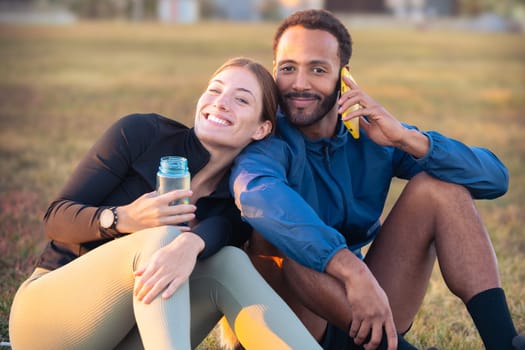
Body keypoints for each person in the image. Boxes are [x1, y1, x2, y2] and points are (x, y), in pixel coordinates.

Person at [230, 9, 524, 350]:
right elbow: (256, 197)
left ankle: (504, 342)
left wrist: (406, 139)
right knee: (280, 236)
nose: (300, 83)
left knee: (439, 188)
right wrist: (350, 270)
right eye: (288, 68)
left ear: (344, 76)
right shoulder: (266, 137)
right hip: (289, 325)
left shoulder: (370, 134)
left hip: (366, 310)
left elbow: (495, 179)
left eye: (318, 69)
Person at [8, 57, 322, 350]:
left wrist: (191, 245)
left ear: (261, 128)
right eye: (214, 90)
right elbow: (55, 217)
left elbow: (222, 231)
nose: (220, 102)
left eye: (241, 99)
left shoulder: (238, 197)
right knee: (164, 237)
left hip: (126, 337)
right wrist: (122, 219)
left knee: (230, 261)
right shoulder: (142, 133)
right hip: (46, 321)